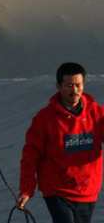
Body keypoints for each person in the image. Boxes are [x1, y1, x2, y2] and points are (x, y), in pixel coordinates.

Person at [17, 62, 104, 223]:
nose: (75, 91)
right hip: (57, 191)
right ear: (58, 86)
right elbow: (30, 156)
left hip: (88, 190)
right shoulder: (44, 119)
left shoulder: (97, 114)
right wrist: (26, 190)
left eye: (78, 85)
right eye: (69, 85)